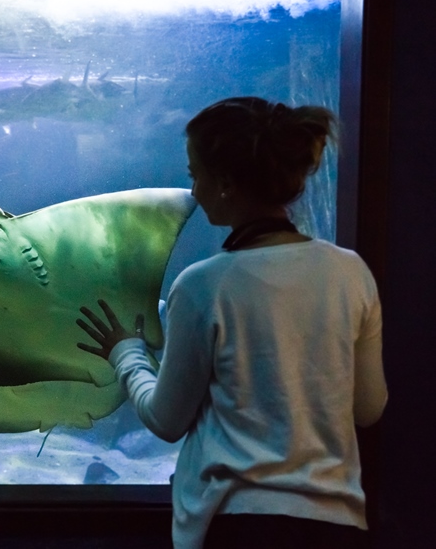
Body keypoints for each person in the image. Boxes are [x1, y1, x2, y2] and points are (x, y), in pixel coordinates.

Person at [76, 97, 388, 549]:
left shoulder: (205, 285)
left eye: (195, 175)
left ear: (224, 184)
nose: (194, 191)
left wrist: (127, 353)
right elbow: (368, 407)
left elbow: (166, 420)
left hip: (240, 524)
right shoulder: (351, 272)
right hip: (336, 522)